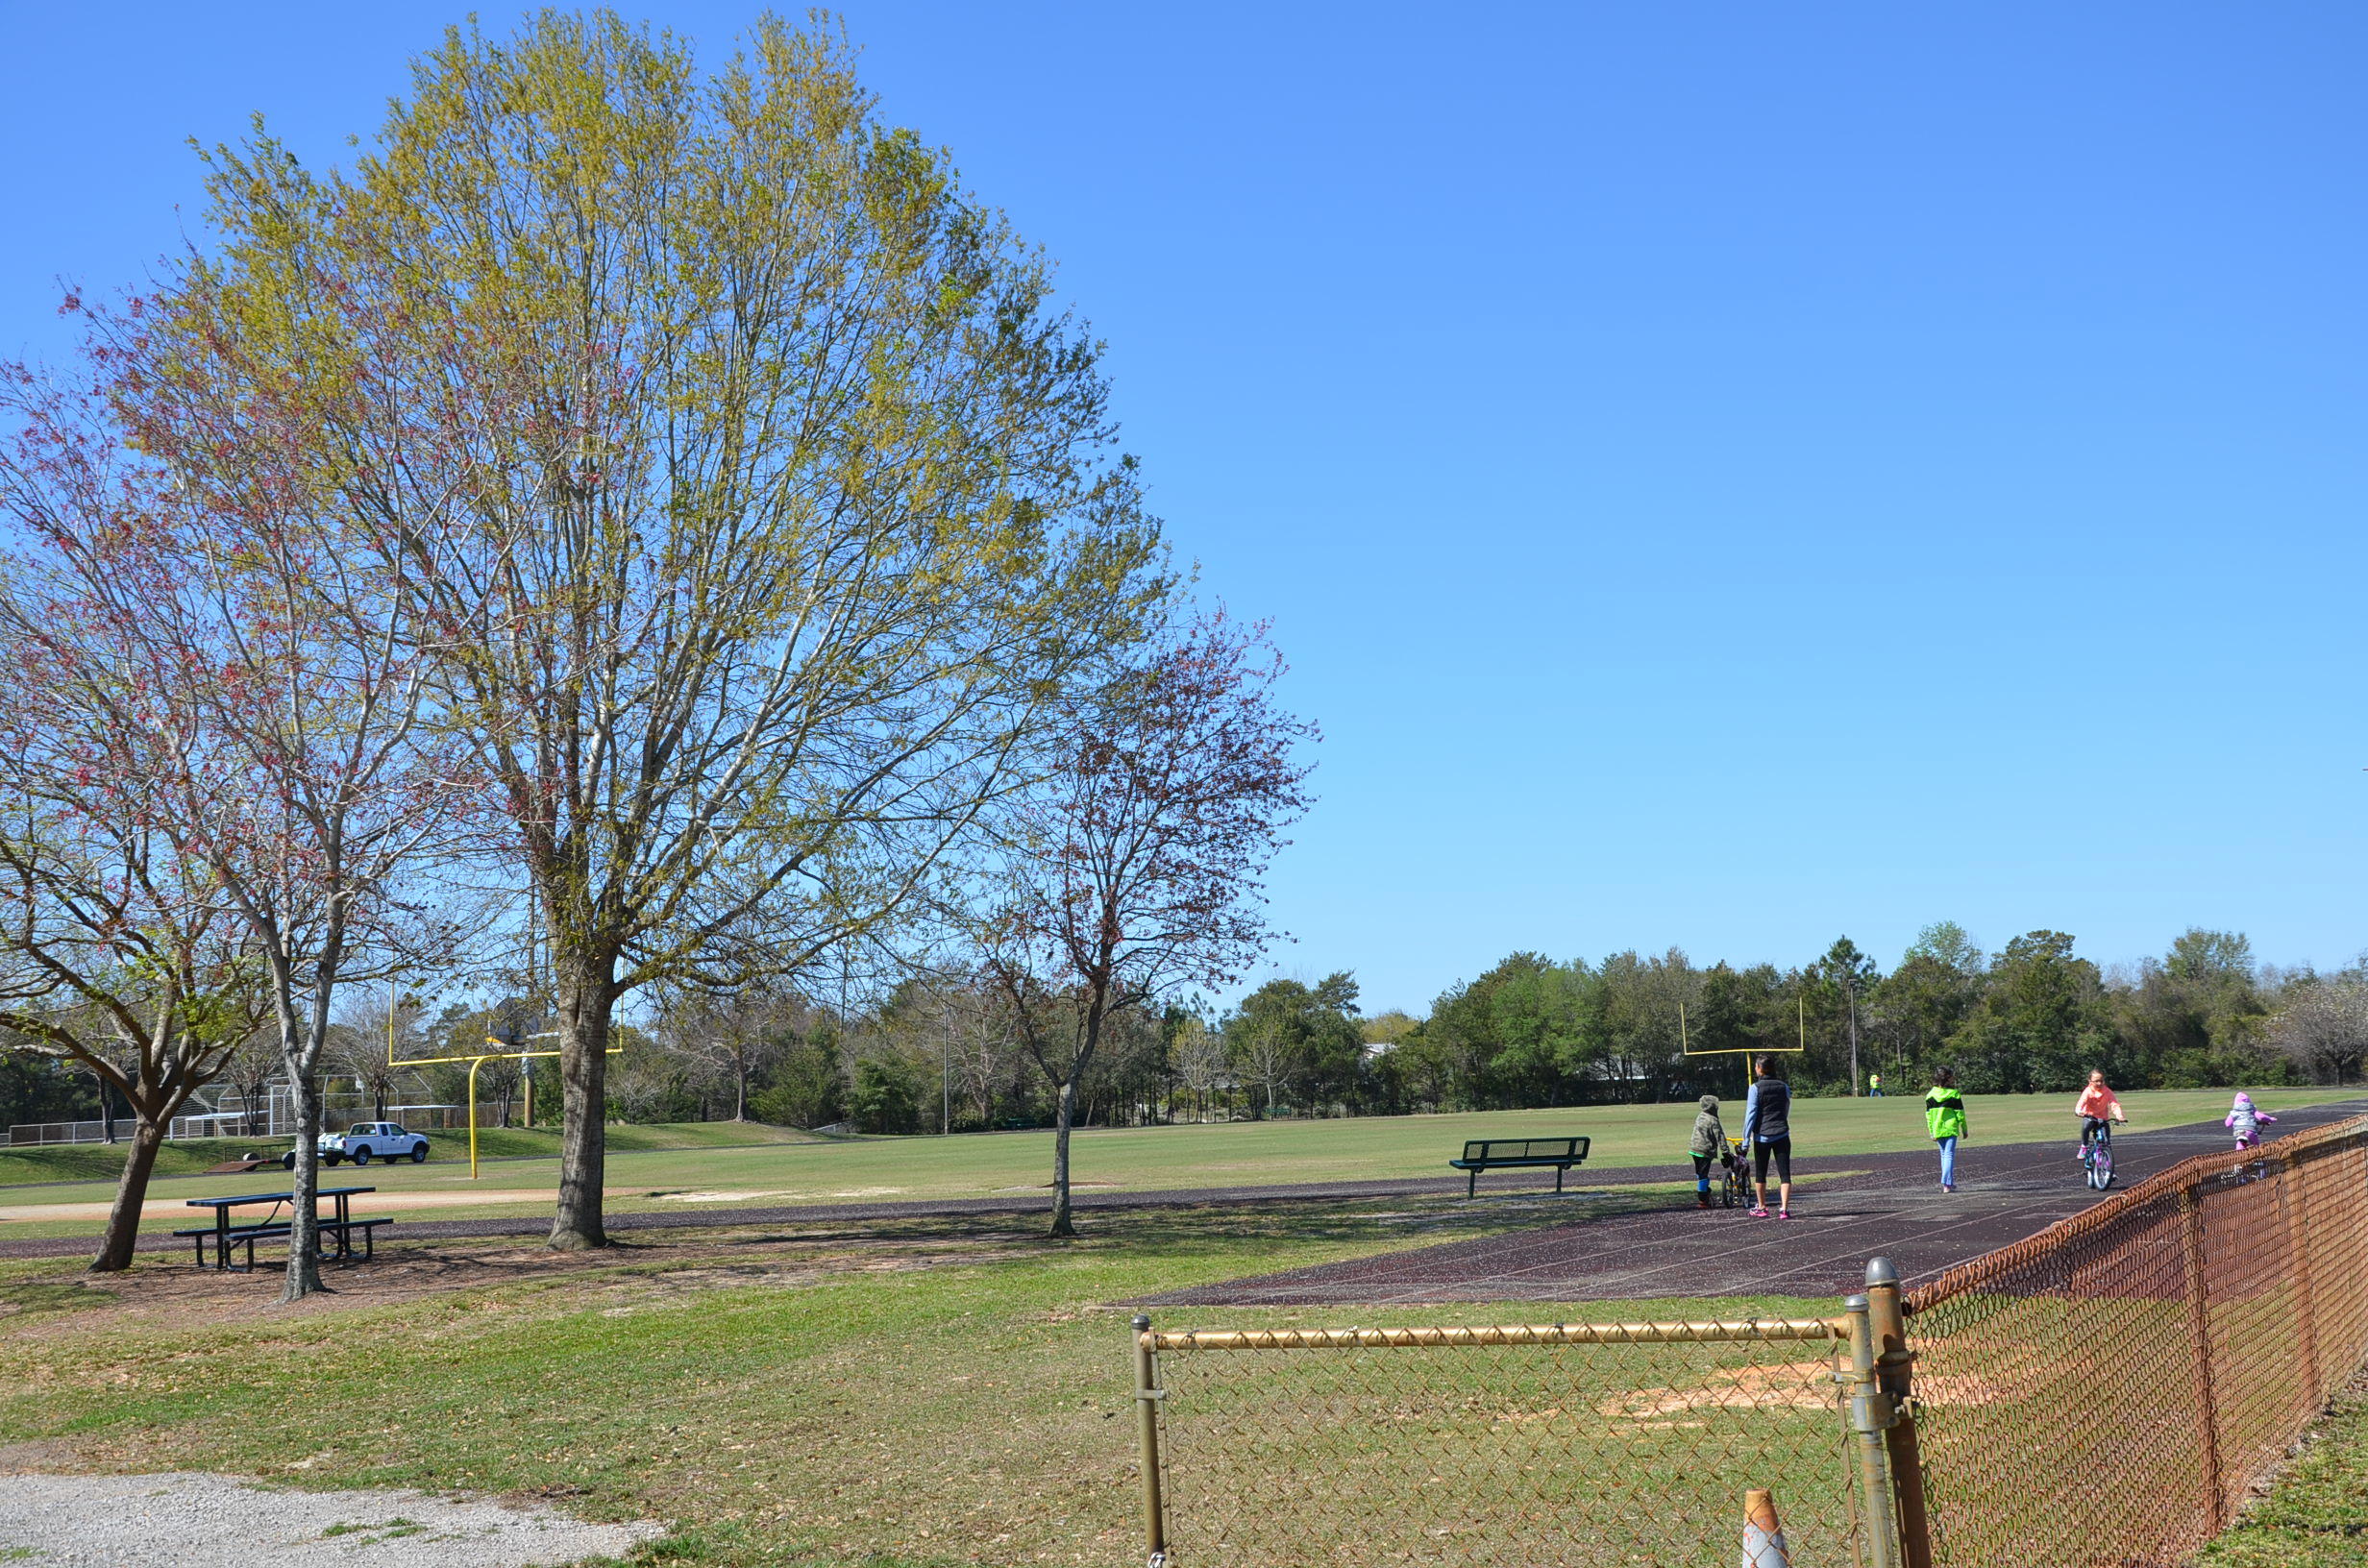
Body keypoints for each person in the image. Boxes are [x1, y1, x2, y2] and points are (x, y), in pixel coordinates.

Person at [1743, 1054, 1793, 1219]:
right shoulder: (1784, 1086)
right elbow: (1786, 1108)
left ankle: (1762, 1207)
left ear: (1759, 1068)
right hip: (1782, 1133)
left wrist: (1745, 1139)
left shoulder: (1755, 1088)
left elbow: (1751, 1115)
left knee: (1760, 1173)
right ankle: (1784, 1209)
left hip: (1762, 1136)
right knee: (1784, 1173)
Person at [1924, 1069, 1966, 1191]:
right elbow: (1960, 1114)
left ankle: (1948, 1183)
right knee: (1948, 1155)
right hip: (1950, 1128)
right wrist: (1964, 1129)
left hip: (1937, 1129)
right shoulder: (1954, 1094)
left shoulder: (1930, 1095)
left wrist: (1931, 1131)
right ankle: (1946, 1183)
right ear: (1948, 1079)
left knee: (1944, 1155)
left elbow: (1929, 1116)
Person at [2072, 1070, 2124, 1161]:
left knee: (2107, 1142)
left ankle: (2109, 1170)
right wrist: (2078, 1111)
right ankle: (2084, 1145)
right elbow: (2081, 1102)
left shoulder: (2107, 1091)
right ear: (2090, 1081)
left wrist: (2119, 1116)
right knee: (2086, 1127)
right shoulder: (2088, 1091)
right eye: (2096, 1081)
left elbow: (2114, 1104)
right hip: (2090, 1117)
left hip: (2103, 1118)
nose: (2099, 1083)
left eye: (2101, 1081)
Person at [1689, 1094, 1727, 1210]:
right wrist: (1725, 1152)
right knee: (1703, 1175)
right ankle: (1702, 1199)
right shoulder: (1713, 1120)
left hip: (1694, 1149)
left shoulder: (1700, 1116)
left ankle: (1705, 1190)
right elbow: (1720, 1137)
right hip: (1704, 1151)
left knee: (1700, 1173)